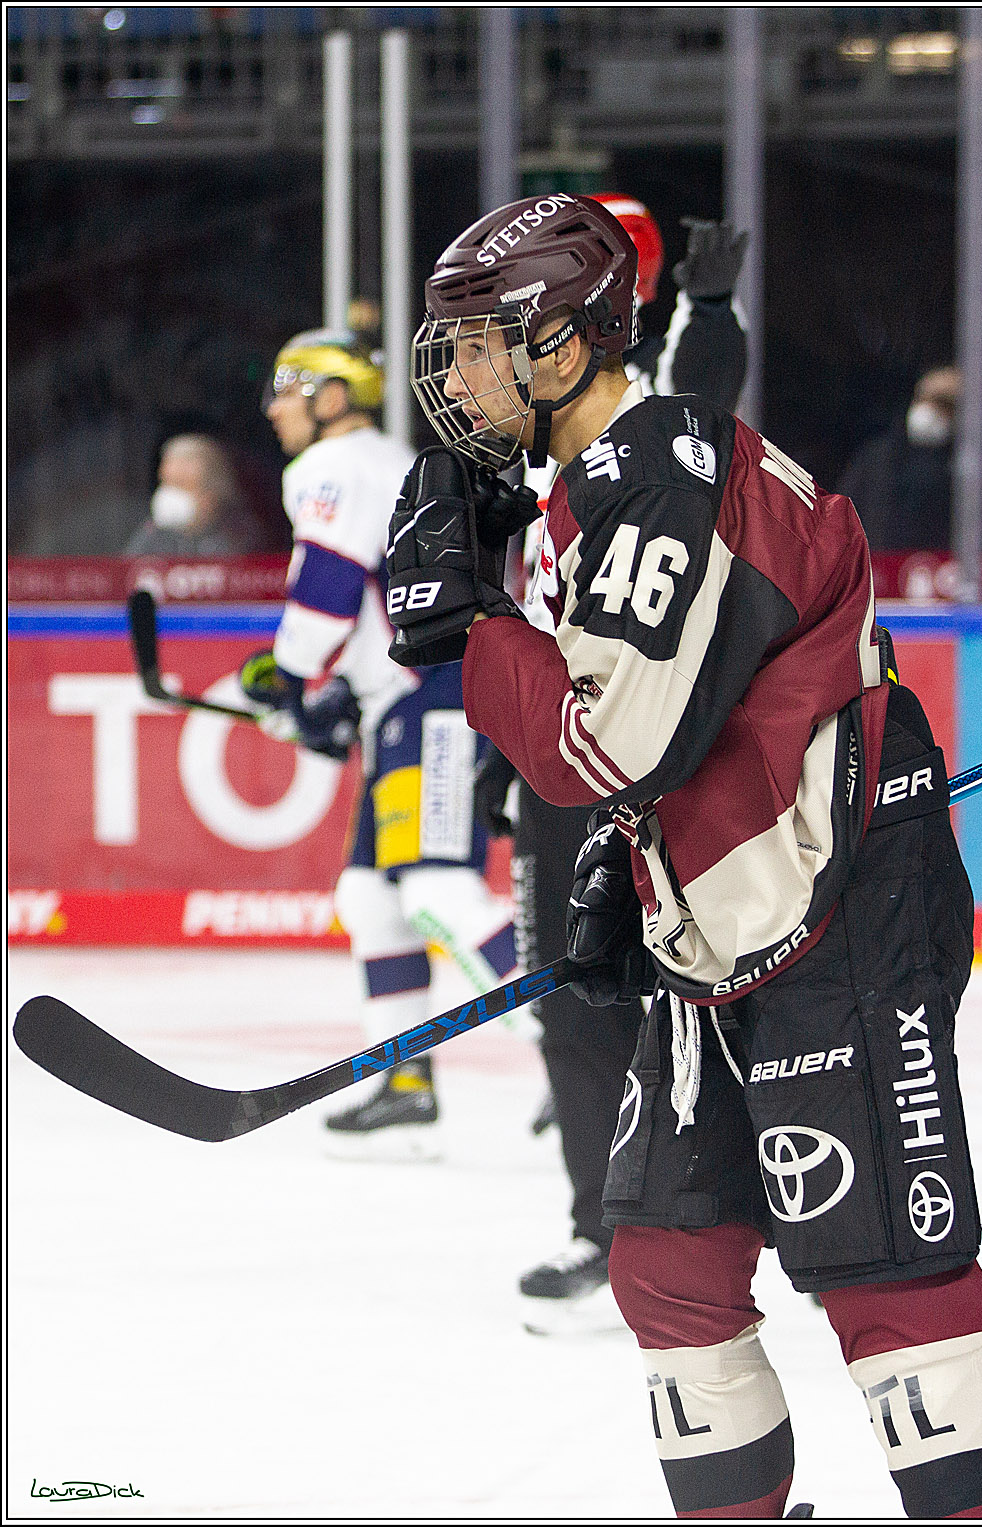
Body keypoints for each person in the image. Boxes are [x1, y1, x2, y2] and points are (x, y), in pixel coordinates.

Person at [384, 195, 982, 1517]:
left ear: (563, 345)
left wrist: (471, 629)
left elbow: (606, 743)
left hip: (836, 903)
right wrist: (638, 861)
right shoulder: (598, 486)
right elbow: (672, 732)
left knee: (887, 1279)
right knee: (669, 1263)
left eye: (483, 343)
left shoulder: (655, 477)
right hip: (733, 910)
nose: (459, 376)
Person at [473, 197, 750, 1334]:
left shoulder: (639, 425)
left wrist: (712, 315)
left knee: (675, 999)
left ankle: (692, 1230)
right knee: (574, 1007)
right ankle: (609, 1230)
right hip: (563, 755)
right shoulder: (528, 437)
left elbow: (698, 402)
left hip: (634, 755)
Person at [241, 329, 518, 1157]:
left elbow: (327, 589)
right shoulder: (384, 459)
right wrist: (337, 696)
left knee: (436, 886)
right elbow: (376, 596)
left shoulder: (332, 465)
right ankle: (405, 1081)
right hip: (411, 697)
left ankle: (581, 1048)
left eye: (290, 387)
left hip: (430, 695)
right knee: (371, 895)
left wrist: (292, 680)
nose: (274, 407)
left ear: (333, 396)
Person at [837, 366, 963, 552]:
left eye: (943, 403)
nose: (929, 409)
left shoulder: (973, 466)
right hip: (883, 563)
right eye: (923, 399)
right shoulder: (877, 459)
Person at [125, 433, 265, 555]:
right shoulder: (154, 532)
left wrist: (202, 525)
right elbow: (133, 567)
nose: (174, 500)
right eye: (172, 486)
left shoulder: (237, 527)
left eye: (184, 484)